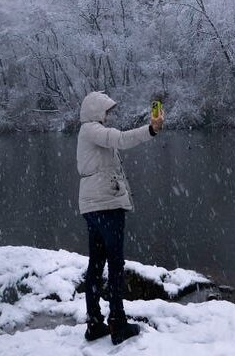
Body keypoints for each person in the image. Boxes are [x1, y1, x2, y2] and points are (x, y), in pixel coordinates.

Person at [77, 91, 165, 345]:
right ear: (95, 111)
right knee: (115, 264)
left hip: (93, 206)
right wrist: (151, 129)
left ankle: (95, 322)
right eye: (105, 111)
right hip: (106, 205)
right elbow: (122, 139)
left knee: (96, 264)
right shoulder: (92, 130)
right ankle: (118, 322)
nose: (108, 115)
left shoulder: (88, 133)